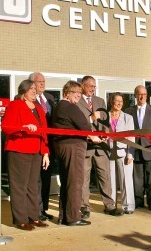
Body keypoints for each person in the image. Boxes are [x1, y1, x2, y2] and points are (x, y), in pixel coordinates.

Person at [1, 79, 50, 231]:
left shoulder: (38, 108)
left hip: (36, 151)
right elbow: (6, 127)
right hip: (18, 150)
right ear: (23, 91)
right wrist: (23, 127)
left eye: (35, 88)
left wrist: (46, 152)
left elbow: (44, 132)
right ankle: (21, 220)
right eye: (31, 89)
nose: (34, 91)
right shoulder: (15, 104)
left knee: (33, 186)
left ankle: (34, 217)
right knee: (19, 187)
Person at [52, 80, 101, 226]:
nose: (79, 96)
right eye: (76, 93)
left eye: (80, 93)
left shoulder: (58, 106)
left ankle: (64, 216)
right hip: (74, 147)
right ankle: (73, 217)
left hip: (63, 147)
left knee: (67, 181)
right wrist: (94, 136)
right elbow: (84, 125)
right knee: (75, 182)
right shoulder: (69, 107)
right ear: (67, 93)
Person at [77, 76, 124, 218]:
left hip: (101, 146)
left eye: (94, 86)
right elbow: (76, 123)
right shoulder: (76, 101)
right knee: (84, 178)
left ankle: (109, 206)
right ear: (82, 85)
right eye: (90, 86)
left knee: (105, 177)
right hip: (86, 145)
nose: (92, 88)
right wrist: (91, 119)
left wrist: (106, 133)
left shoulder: (100, 101)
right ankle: (85, 207)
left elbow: (106, 122)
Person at [125, 85, 151, 211]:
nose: (142, 97)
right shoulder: (129, 111)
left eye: (144, 94)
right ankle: (139, 201)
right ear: (135, 95)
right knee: (137, 180)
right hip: (135, 149)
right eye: (139, 94)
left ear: (147, 95)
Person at [29, 72, 55, 221]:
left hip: (49, 145)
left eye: (43, 81)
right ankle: (36, 210)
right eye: (39, 81)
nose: (42, 84)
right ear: (31, 83)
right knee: (36, 179)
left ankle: (43, 208)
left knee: (46, 178)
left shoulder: (50, 99)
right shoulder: (27, 100)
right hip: (36, 144)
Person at [108, 92, 135, 214]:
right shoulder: (105, 116)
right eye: (117, 101)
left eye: (121, 101)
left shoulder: (128, 118)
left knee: (126, 180)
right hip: (108, 152)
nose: (119, 103)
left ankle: (128, 206)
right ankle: (111, 205)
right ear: (111, 102)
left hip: (124, 152)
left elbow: (131, 137)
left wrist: (130, 155)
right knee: (110, 180)